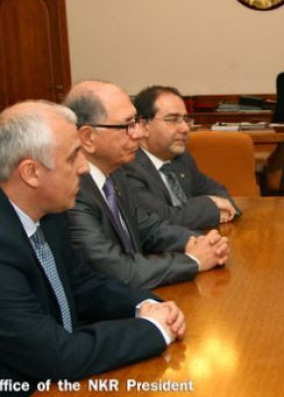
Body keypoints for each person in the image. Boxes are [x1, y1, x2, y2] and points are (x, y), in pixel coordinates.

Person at [0, 101, 185, 397]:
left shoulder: (49, 213)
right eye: (73, 156)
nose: (84, 168)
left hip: (60, 389)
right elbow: (57, 356)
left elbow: (83, 283)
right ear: (31, 172)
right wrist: (152, 330)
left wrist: (145, 305)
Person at [63, 80, 229, 289]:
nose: (139, 133)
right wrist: (194, 260)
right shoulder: (71, 192)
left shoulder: (115, 173)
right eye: (127, 125)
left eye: (136, 122)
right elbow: (120, 271)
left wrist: (199, 242)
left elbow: (148, 228)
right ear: (88, 137)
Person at [123, 85, 240, 229]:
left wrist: (222, 205)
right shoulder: (129, 166)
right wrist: (211, 205)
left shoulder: (181, 157)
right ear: (143, 125)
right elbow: (161, 220)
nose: (185, 128)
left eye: (185, 119)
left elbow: (216, 190)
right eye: (172, 119)